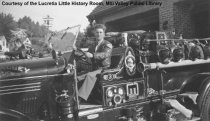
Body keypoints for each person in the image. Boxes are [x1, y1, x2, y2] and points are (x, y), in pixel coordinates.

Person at [78, 24, 113, 101]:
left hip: (103, 68)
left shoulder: (107, 44)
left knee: (90, 75)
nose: (99, 34)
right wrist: (83, 56)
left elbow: (105, 54)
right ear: (94, 33)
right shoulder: (93, 45)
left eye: (100, 32)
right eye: (97, 32)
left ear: (104, 33)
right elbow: (88, 55)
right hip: (94, 68)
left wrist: (93, 55)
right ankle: (84, 97)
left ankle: (80, 98)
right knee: (79, 76)